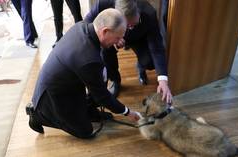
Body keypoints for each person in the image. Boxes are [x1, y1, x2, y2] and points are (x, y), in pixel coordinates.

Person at [26, 8, 140, 139]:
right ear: (105, 31)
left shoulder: (82, 26)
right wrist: (127, 112)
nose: (119, 42)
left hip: (69, 82)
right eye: (117, 37)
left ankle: (89, 110)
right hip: (52, 95)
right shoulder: (88, 58)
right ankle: (37, 114)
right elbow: (102, 96)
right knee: (85, 131)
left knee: (99, 79)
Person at [85, 0, 172, 103]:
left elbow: (157, 47)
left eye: (134, 24)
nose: (130, 28)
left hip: (138, 38)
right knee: (105, 52)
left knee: (150, 62)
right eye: (127, 26)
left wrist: (163, 80)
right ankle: (115, 80)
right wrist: (111, 37)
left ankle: (141, 65)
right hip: (113, 37)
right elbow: (87, 25)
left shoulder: (149, 13)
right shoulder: (103, 4)